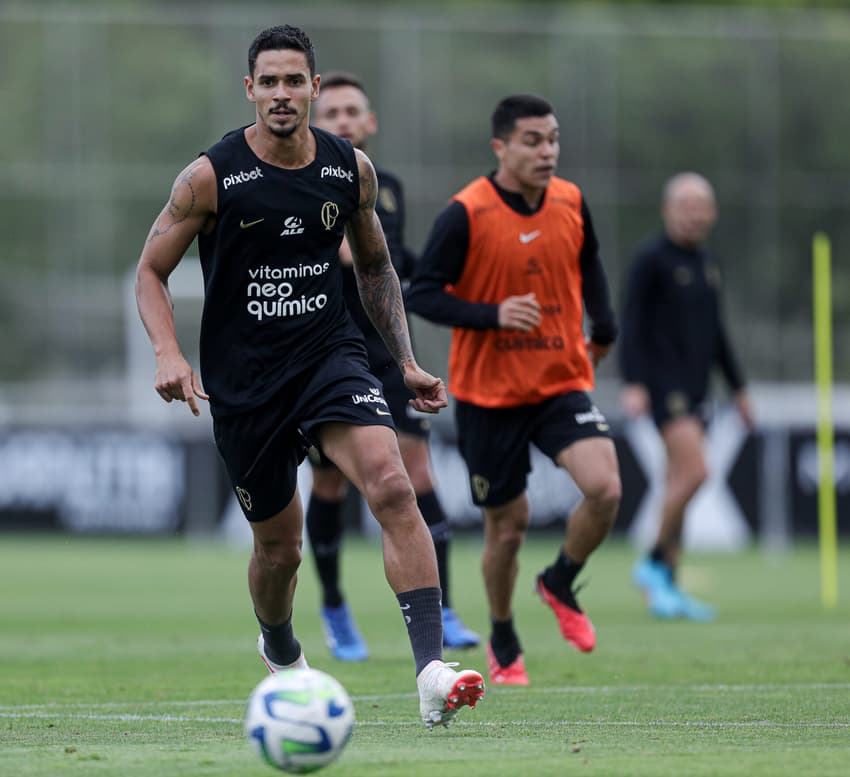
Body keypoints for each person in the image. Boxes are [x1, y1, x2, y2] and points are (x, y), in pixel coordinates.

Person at [134, 24, 483, 728]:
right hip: (245, 382)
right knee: (278, 548)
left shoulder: (347, 170)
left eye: (296, 80)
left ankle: (430, 670)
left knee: (390, 481)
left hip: (330, 355)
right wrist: (169, 352)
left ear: (315, 89)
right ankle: (283, 650)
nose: (283, 94)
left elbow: (378, 266)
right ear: (250, 90)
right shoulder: (211, 176)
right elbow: (150, 271)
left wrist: (407, 360)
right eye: (270, 81)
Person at [406, 94, 622, 686]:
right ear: (501, 146)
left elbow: (591, 259)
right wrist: (492, 313)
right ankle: (502, 634)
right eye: (533, 140)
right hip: (488, 396)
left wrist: (603, 325)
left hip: (559, 381)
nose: (547, 151)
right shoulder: (466, 213)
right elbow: (421, 293)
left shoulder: (572, 201)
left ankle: (558, 581)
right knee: (509, 526)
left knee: (604, 488)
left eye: (552, 139)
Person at [306, 72, 479, 661]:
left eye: (355, 111)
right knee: (329, 481)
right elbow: (356, 256)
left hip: (383, 352)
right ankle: (334, 606)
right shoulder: (305, 187)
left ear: (371, 122)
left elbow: (392, 264)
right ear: (314, 119)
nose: (345, 121)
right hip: (324, 351)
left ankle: (444, 605)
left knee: (418, 473)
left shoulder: (389, 187)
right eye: (333, 112)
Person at [619, 171, 754, 622]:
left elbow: (718, 335)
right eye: (686, 205)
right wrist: (634, 381)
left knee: (679, 482)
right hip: (663, 387)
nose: (695, 214)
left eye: (702, 206)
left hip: (698, 389)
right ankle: (653, 560)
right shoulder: (652, 260)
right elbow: (632, 325)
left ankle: (666, 588)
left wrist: (739, 390)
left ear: (712, 213)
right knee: (696, 473)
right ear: (668, 210)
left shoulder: (708, 264)